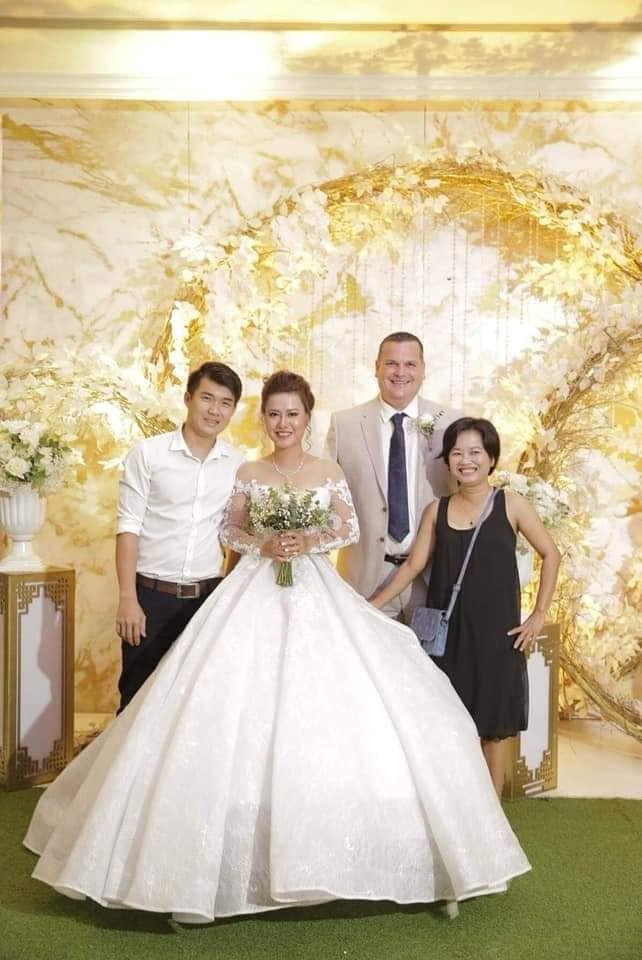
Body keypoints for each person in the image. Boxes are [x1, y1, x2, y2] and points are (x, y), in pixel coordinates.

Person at [24, 375, 530, 924]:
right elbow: (231, 531)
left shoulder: (328, 471)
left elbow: (347, 527)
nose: (283, 423)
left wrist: (309, 539)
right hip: (253, 591)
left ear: (307, 418)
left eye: (293, 414)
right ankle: (192, 869)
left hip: (315, 591)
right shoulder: (248, 471)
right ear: (263, 418)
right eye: (274, 414)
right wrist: (263, 543)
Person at [371, 417, 561, 795]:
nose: (466, 460)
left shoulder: (511, 504)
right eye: (457, 453)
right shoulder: (436, 510)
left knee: (492, 728)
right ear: (448, 461)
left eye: (475, 452)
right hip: (446, 638)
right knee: (449, 723)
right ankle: (455, 807)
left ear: (491, 458)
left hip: (497, 635)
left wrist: (538, 614)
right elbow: (412, 567)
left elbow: (551, 554)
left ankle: (491, 813)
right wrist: (369, 607)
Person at [115, 360, 244, 710]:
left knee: (194, 707)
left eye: (225, 403)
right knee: (136, 700)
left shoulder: (237, 464)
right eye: (207, 398)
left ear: (233, 410)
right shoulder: (148, 454)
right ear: (188, 398)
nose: (214, 410)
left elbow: (235, 534)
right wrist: (128, 598)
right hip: (150, 597)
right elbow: (128, 527)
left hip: (206, 601)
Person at [326, 331, 460, 620]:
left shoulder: (452, 423)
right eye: (391, 363)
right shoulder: (344, 424)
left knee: (429, 651)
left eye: (410, 364)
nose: (400, 372)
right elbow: (326, 497)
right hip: (364, 579)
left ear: (423, 370)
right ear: (376, 367)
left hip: (433, 576)